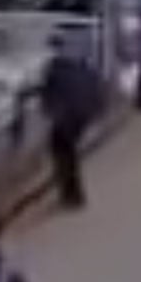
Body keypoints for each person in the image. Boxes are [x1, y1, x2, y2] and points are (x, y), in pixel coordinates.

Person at [37, 34, 103, 209]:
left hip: (66, 117)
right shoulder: (85, 66)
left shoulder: (55, 68)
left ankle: (70, 195)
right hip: (82, 115)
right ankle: (74, 194)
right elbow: (95, 90)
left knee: (62, 154)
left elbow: (48, 93)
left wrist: (49, 111)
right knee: (69, 153)